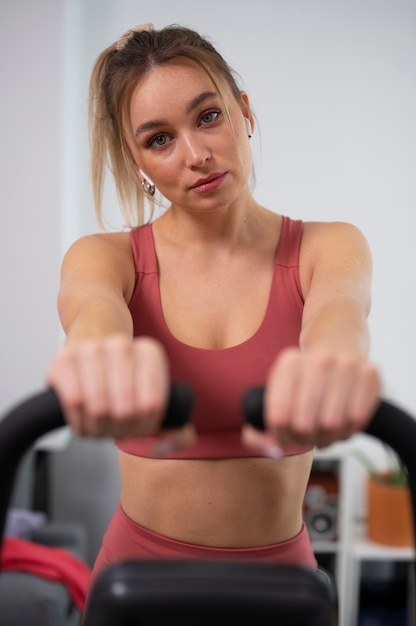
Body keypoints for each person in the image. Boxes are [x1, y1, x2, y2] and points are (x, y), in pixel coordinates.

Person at [47, 22, 382, 598]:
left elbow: (339, 317)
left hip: (280, 587)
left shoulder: (328, 247)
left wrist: (335, 362)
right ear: (136, 161)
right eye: (159, 139)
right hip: (138, 583)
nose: (197, 155)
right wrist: (95, 355)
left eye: (208, 117)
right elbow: (93, 314)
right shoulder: (106, 257)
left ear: (243, 112)